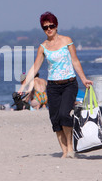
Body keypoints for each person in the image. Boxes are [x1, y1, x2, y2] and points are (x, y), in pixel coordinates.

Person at [18, 12, 93, 158]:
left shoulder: (67, 41)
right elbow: (35, 68)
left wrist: (84, 79)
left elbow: (75, 61)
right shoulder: (43, 47)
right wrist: (22, 88)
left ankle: (70, 148)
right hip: (52, 86)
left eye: (51, 26)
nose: (49, 29)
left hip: (69, 84)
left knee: (65, 114)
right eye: (45, 27)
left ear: (56, 26)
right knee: (55, 118)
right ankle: (64, 151)